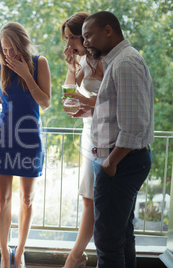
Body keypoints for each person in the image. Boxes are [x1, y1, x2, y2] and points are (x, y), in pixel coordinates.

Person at [82, 11, 154, 268]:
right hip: (120, 160)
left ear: (109, 30)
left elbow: (133, 125)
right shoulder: (119, 61)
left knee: (108, 241)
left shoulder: (125, 63)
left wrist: (110, 163)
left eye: (89, 35)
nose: (86, 42)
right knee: (121, 235)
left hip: (120, 163)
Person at [0, 22, 51, 268]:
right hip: (5, 137)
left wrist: (25, 74)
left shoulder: (39, 63)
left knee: (27, 199)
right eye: (5, 49)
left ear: (23, 43)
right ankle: (4, 254)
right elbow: (0, 102)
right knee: (3, 200)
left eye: (13, 48)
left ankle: (20, 251)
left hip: (30, 137)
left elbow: (45, 102)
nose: (10, 54)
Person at [60, 12, 104, 268]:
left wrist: (84, 102)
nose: (68, 46)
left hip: (109, 135)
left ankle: (75, 257)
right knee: (89, 197)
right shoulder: (84, 63)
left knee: (93, 198)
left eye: (72, 39)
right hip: (90, 132)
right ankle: (80, 255)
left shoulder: (106, 60)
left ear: (85, 36)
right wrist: (70, 68)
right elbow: (68, 105)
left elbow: (109, 102)